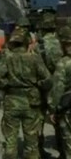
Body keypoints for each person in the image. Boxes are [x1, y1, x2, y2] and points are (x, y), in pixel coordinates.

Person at [0, 30, 51, 159]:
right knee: (31, 140)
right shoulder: (34, 58)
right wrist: (37, 86)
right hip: (31, 102)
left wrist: (8, 84)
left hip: (12, 101)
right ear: (26, 43)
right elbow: (47, 80)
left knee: (10, 140)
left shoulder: (7, 58)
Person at [35, 12, 64, 158]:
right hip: (59, 85)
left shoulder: (38, 46)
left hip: (41, 87)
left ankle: (39, 150)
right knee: (59, 119)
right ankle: (62, 149)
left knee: (39, 118)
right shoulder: (62, 43)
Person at [49, 26, 71, 159]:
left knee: (68, 141)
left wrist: (53, 109)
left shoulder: (64, 63)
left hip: (68, 107)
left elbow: (58, 88)